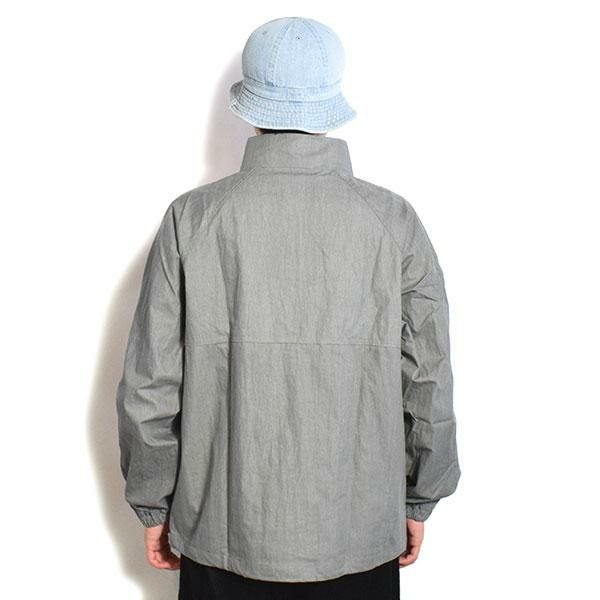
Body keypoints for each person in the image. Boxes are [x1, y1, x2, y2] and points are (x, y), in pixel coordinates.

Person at [115, 16, 461, 600]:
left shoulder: (192, 219)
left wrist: (154, 505)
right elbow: (427, 376)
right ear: (330, 104)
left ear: (251, 108)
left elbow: (150, 384)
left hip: (221, 536)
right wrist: (419, 495)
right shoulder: (392, 221)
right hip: (360, 534)